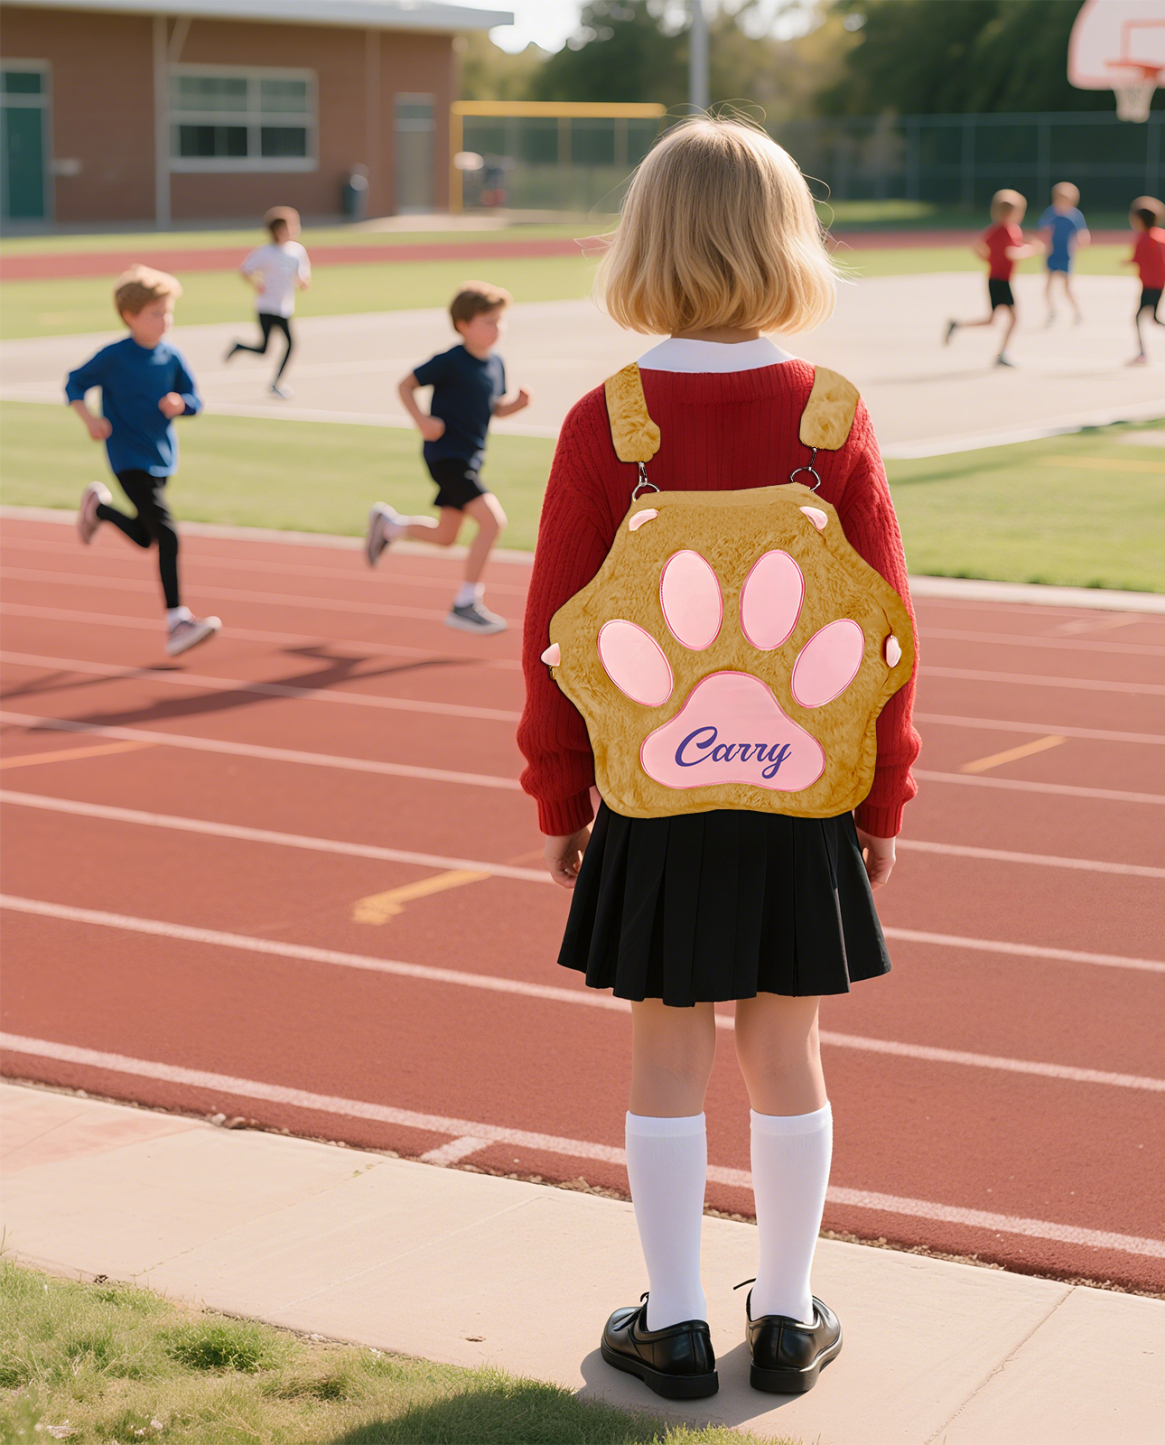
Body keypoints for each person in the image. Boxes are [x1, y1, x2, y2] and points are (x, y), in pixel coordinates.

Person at [518, 117, 919, 1401]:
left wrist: (557, 794)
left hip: (656, 789)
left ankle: (678, 1323)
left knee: (665, 1055)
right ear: (787, 241)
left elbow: (551, 637)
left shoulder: (608, 422)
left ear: (641, 242)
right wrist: (884, 792)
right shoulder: (832, 415)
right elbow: (885, 635)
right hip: (801, 788)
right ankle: (791, 1315)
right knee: (785, 1054)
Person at [70, 266, 221, 658]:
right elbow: (74, 382)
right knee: (168, 535)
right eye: (155, 313)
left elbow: (195, 400)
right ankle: (177, 621)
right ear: (130, 316)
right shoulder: (114, 357)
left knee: (145, 536)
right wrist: (90, 419)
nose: (164, 320)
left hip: (161, 458)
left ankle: (98, 509)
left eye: (167, 312)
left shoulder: (172, 357)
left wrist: (181, 404)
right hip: (126, 457)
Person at [364, 282, 530, 635]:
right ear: (464, 325)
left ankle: (389, 525)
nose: (497, 328)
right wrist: (422, 421)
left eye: (500, 321)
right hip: (447, 456)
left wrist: (514, 406)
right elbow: (405, 385)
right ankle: (465, 603)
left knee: (445, 536)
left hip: (469, 458)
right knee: (492, 522)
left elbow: (493, 408)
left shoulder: (496, 364)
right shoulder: (451, 361)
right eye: (489, 321)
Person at [943, 189, 1040, 366]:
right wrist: (1031, 249)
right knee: (1013, 318)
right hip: (1001, 281)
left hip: (995, 278)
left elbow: (977, 246)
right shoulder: (1008, 230)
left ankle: (958, 325)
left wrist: (989, 260)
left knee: (992, 320)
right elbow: (1011, 253)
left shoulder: (995, 230)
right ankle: (1003, 353)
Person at [226, 206, 310, 399]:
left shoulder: (297, 251)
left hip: (284, 307)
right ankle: (240, 347)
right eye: (291, 226)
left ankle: (275, 383)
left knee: (290, 344)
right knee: (264, 349)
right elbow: (245, 270)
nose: (296, 229)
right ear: (279, 230)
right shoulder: (265, 252)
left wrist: (303, 282)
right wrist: (256, 284)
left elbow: (302, 274)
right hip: (266, 306)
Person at [1124, 197, 1165, 364]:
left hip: (1149, 285)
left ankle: (1142, 352)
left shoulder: (1143, 239)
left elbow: (1137, 258)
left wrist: (1127, 262)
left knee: (1139, 318)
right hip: (1160, 284)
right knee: (1153, 318)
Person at [1038, 181, 1090, 324]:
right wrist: (1043, 245)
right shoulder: (1051, 213)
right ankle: (1051, 311)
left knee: (1067, 288)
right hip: (1052, 254)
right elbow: (1045, 231)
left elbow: (1083, 233)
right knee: (1048, 285)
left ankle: (1077, 312)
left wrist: (1082, 240)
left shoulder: (1075, 215)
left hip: (1066, 254)